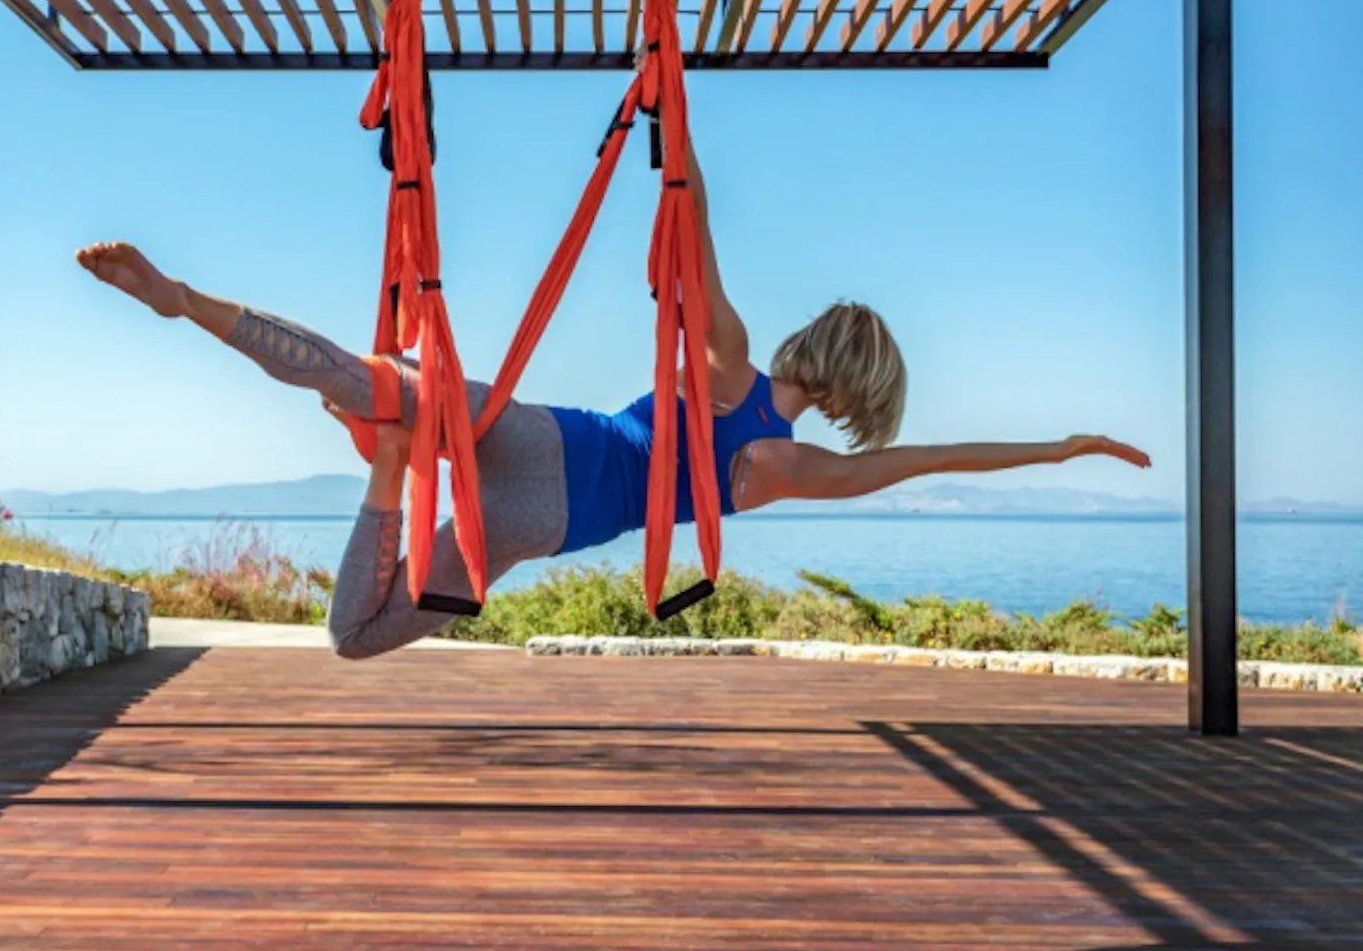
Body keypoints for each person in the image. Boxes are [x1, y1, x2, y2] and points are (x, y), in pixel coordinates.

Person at [75, 146, 1150, 659]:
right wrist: (1059, 451)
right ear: (856, 396)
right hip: (544, 522)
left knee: (362, 376)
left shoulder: (729, 362)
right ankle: (389, 471)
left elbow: (699, 254)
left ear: (814, 345)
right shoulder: (789, 466)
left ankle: (186, 304)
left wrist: (683, 158)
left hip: (537, 429)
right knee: (356, 639)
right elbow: (933, 461)